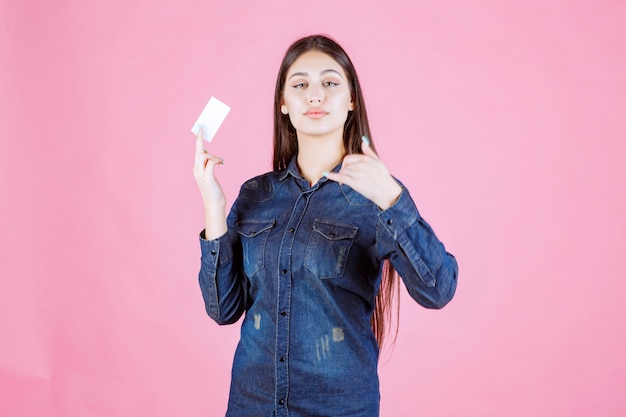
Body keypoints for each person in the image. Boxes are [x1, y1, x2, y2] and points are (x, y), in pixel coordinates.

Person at [193, 34, 458, 417]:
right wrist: (213, 207)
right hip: (252, 405)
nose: (314, 95)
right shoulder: (256, 194)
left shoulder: (375, 195)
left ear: (351, 100)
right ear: (283, 103)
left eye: (330, 83)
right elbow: (223, 309)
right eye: (300, 85)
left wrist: (392, 199)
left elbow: (439, 288)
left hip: (340, 407)